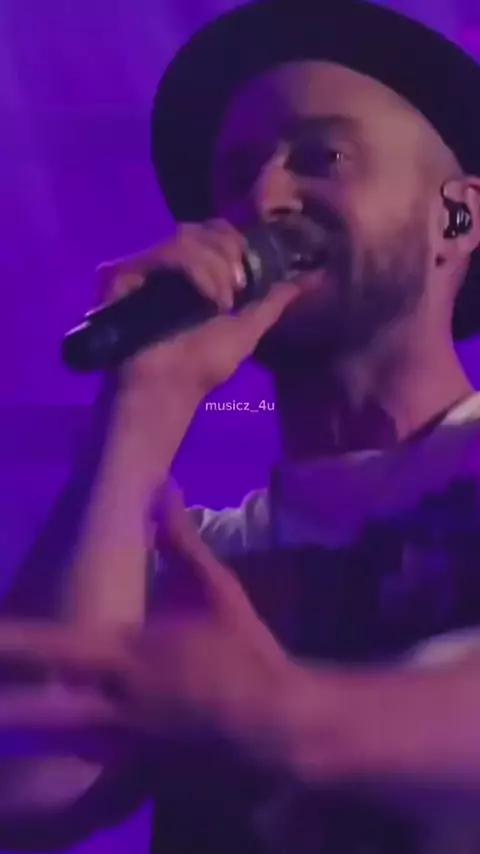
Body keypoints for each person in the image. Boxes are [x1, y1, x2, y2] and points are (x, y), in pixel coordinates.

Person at [1, 0, 480, 851]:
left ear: (458, 219)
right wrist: (142, 404)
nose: (262, 197)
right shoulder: (194, 561)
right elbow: (28, 786)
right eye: (236, 174)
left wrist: (284, 717)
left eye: (322, 157)